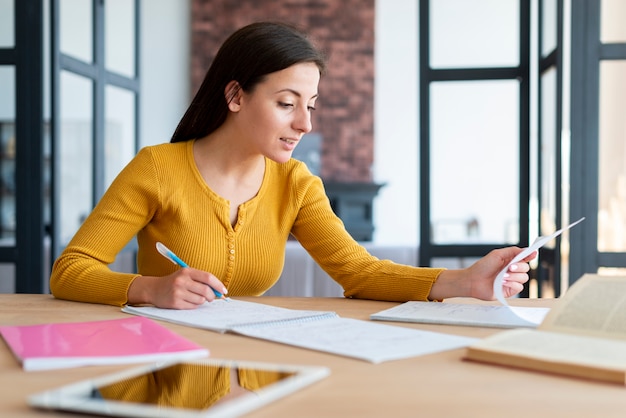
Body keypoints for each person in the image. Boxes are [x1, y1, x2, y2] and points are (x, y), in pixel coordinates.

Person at [50, 21, 535, 309]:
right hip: (162, 363)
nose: (305, 123)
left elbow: (357, 271)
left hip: (255, 364)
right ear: (235, 95)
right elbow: (70, 271)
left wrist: (463, 281)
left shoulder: (297, 183)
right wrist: (151, 289)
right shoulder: (156, 168)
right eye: (287, 103)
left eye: (313, 105)